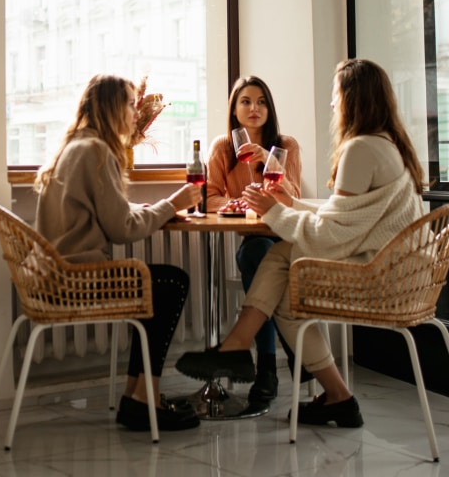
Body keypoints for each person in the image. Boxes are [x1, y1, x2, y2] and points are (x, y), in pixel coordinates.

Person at [176, 59, 426, 428]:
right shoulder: (387, 144)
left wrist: (273, 211)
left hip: (382, 275)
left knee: (283, 277)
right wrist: (286, 206)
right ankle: (324, 390)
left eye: (335, 95)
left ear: (353, 99)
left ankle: (241, 348)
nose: (331, 105)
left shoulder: (359, 149)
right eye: (245, 102)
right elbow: (344, 217)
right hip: (402, 268)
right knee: (278, 258)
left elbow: (331, 233)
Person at [35, 74, 203, 432]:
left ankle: (137, 398)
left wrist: (143, 208)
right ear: (112, 107)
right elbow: (121, 230)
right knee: (172, 282)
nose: (135, 112)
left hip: (55, 274)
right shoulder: (98, 152)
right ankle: (146, 399)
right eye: (129, 104)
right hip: (80, 278)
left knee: (155, 285)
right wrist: (172, 204)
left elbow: (108, 213)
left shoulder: (76, 146)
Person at [205, 75, 303, 405]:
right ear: (234, 109)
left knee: (257, 257)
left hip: (286, 237)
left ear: (269, 108)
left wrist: (268, 158)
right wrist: (238, 204)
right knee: (256, 253)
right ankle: (288, 356)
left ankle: (266, 369)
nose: (254, 108)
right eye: (245, 101)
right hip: (254, 237)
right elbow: (210, 198)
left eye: (261, 101)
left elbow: (295, 199)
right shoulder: (222, 147)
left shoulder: (286, 145)